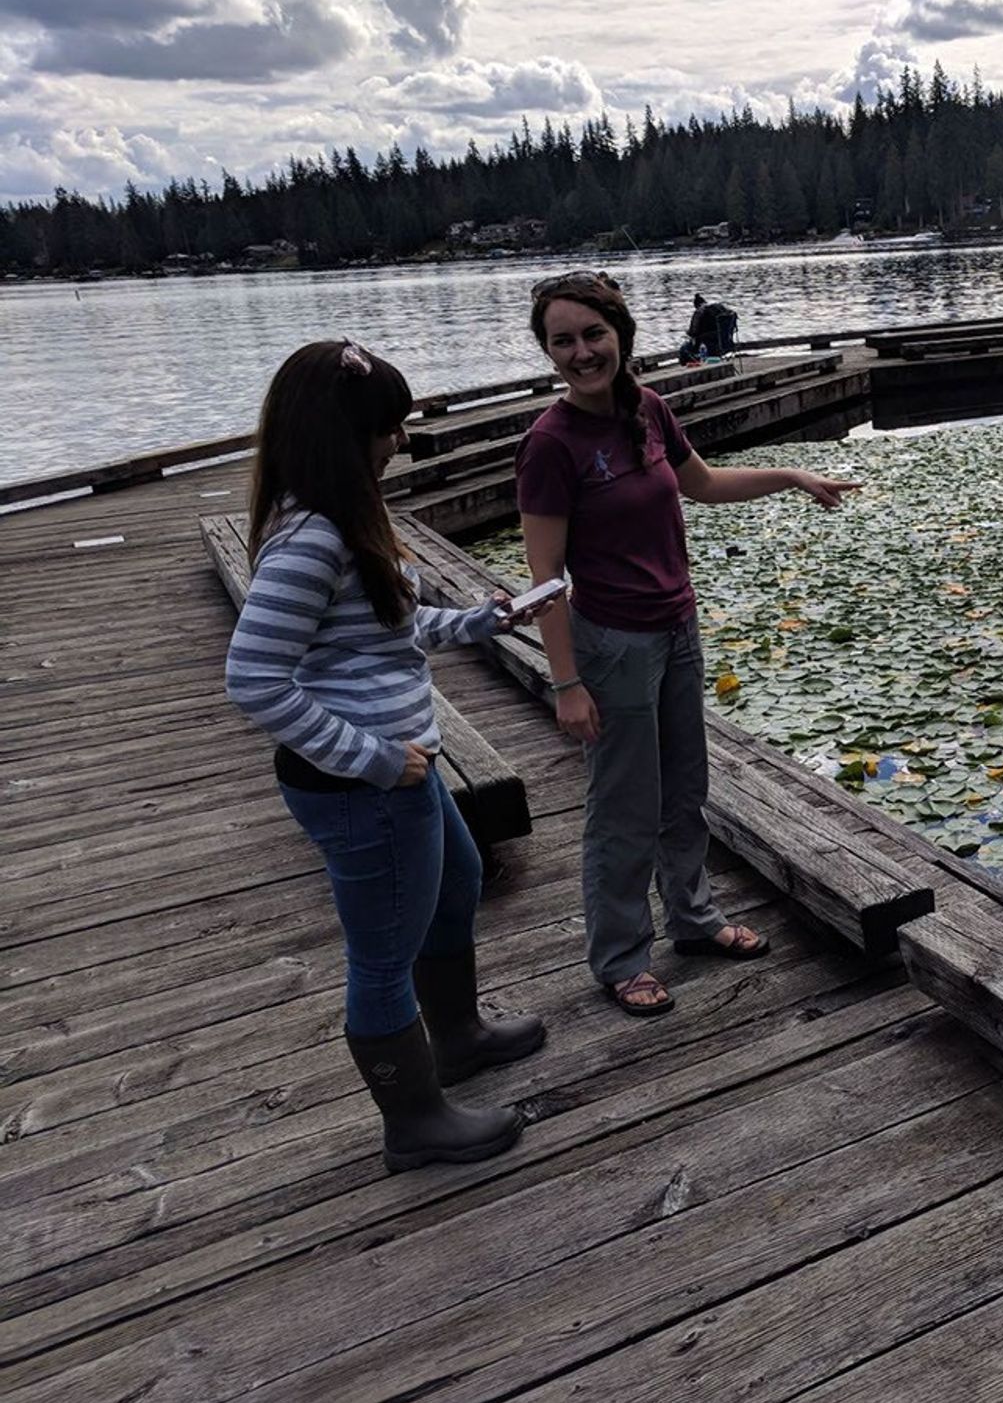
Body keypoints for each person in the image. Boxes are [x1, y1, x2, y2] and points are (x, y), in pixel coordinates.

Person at [225, 340, 548, 1172]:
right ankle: (414, 1121)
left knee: (461, 883)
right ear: (340, 435)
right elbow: (253, 677)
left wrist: (478, 620)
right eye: (387, 426)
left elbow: (386, 631)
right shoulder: (311, 541)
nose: (399, 441)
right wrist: (367, 758)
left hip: (397, 765)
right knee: (381, 955)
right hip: (362, 783)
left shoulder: (347, 518)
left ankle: (462, 1036)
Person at [517, 272, 860, 1016]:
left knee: (685, 790)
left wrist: (792, 475)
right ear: (547, 352)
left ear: (621, 332)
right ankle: (619, 956)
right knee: (623, 805)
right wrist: (565, 683)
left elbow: (700, 483)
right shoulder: (551, 444)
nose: (581, 352)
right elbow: (543, 577)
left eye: (592, 334)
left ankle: (696, 920)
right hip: (610, 645)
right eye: (562, 341)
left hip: (676, 629)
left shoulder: (646, 410)